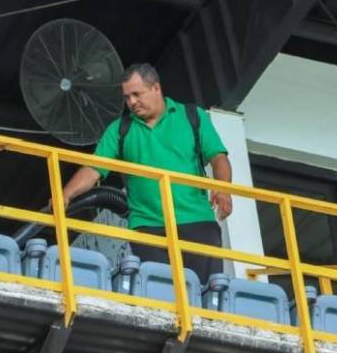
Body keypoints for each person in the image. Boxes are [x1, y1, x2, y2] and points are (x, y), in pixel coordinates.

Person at [60, 63, 232, 282]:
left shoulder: (191, 116)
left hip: (196, 220)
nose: (131, 102)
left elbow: (218, 158)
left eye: (136, 94)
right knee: (160, 296)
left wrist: (223, 190)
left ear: (156, 89)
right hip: (147, 227)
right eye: (126, 97)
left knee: (206, 295)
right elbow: (94, 168)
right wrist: (65, 194)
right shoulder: (120, 129)